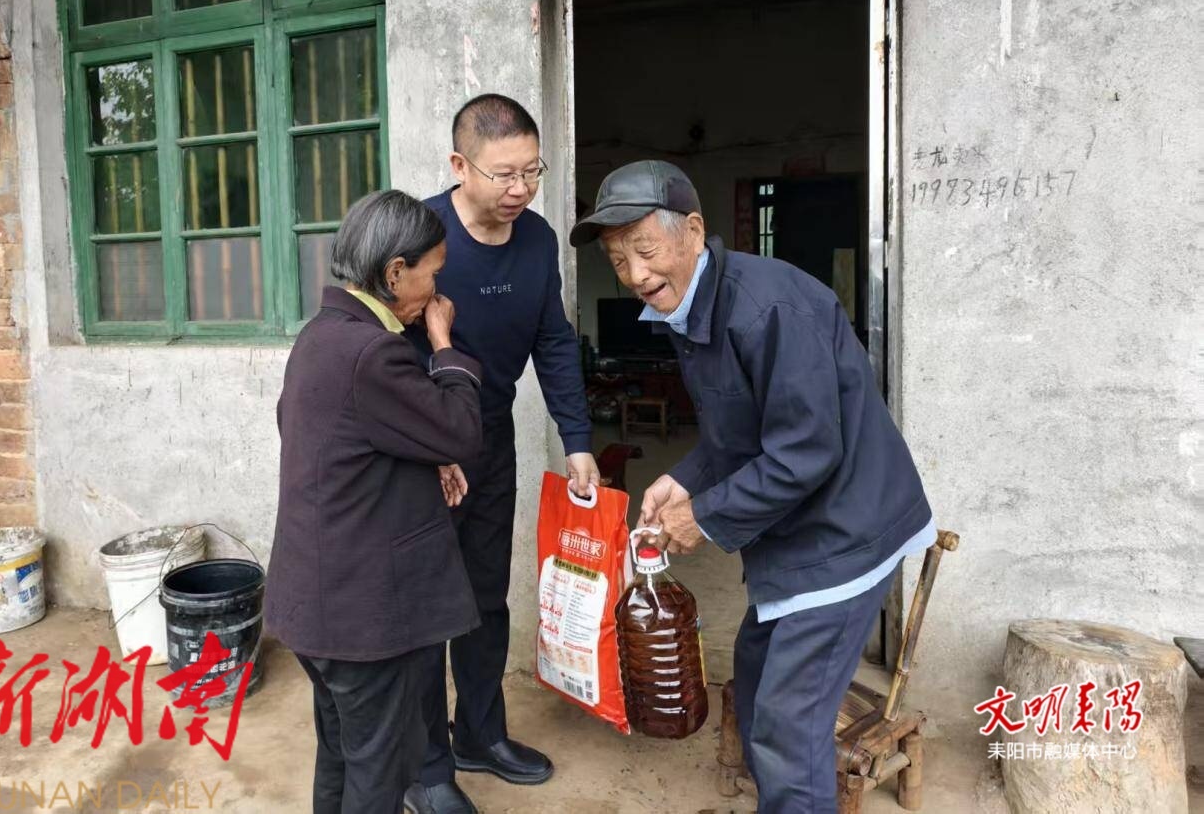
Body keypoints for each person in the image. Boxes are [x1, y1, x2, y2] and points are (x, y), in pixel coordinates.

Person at [571, 160, 937, 814]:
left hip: (846, 532)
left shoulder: (767, 308)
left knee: (788, 728)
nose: (634, 275)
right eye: (618, 259)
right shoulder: (689, 307)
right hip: (800, 526)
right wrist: (680, 480)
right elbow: (735, 434)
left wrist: (702, 515)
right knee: (756, 673)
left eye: (645, 250)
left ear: (692, 230)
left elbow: (807, 450)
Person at [405, 94, 600, 814]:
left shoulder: (538, 240)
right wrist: (429, 446)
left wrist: (576, 439)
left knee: (486, 594)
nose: (520, 188)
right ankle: (423, 765)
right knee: (426, 605)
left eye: (532, 171)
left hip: (489, 435)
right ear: (460, 165)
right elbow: (384, 351)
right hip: (421, 446)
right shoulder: (420, 236)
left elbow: (552, 339)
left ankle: (479, 735)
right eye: (503, 174)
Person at [265, 190, 485, 814]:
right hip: (358, 619)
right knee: (379, 772)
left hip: (315, 605)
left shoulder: (321, 335)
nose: (435, 291)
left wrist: (425, 457)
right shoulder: (375, 351)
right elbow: (460, 430)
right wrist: (443, 344)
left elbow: (336, 438)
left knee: (341, 752)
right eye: (432, 274)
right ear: (394, 273)